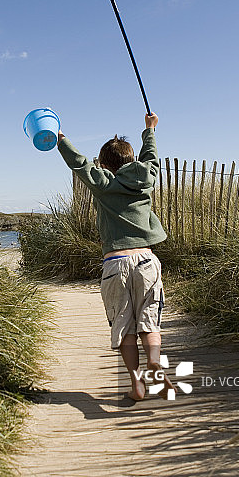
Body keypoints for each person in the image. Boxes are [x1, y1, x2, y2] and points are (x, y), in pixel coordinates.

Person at [57, 113, 176, 402]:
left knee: (124, 325)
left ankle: (136, 384)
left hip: (116, 263)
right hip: (147, 261)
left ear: (106, 165)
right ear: (131, 161)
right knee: (150, 320)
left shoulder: (104, 183)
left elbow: (80, 164)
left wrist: (61, 140)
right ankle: (155, 360)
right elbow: (151, 158)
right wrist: (150, 131)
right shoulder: (146, 178)